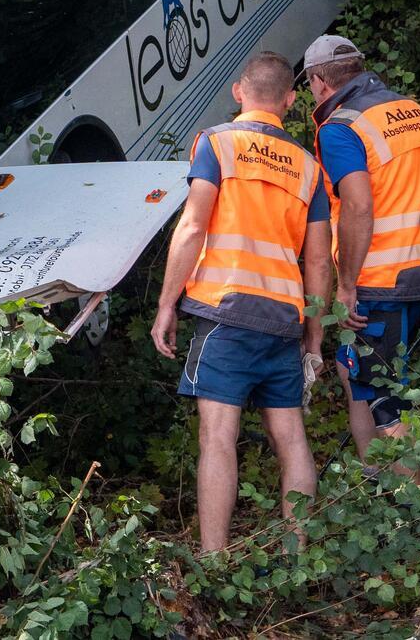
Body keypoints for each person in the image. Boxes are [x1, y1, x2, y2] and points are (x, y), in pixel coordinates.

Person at [150, 52, 332, 553]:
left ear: (238, 92)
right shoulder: (308, 167)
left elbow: (191, 226)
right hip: (283, 319)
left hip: (226, 312)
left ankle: (214, 562)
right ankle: (300, 555)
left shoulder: (217, 143)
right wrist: (313, 337)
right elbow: (319, 264)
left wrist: (168, 304)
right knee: (291, 437)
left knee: (218, 437)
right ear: (291, 101)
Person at [301, 33, 420, 478]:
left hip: (382, 279)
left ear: (318, 81)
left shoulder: (341, 128)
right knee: (359, 378)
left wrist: (346, 286)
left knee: (386, 396)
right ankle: (378, 491)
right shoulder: (418, 114)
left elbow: (358, 206)